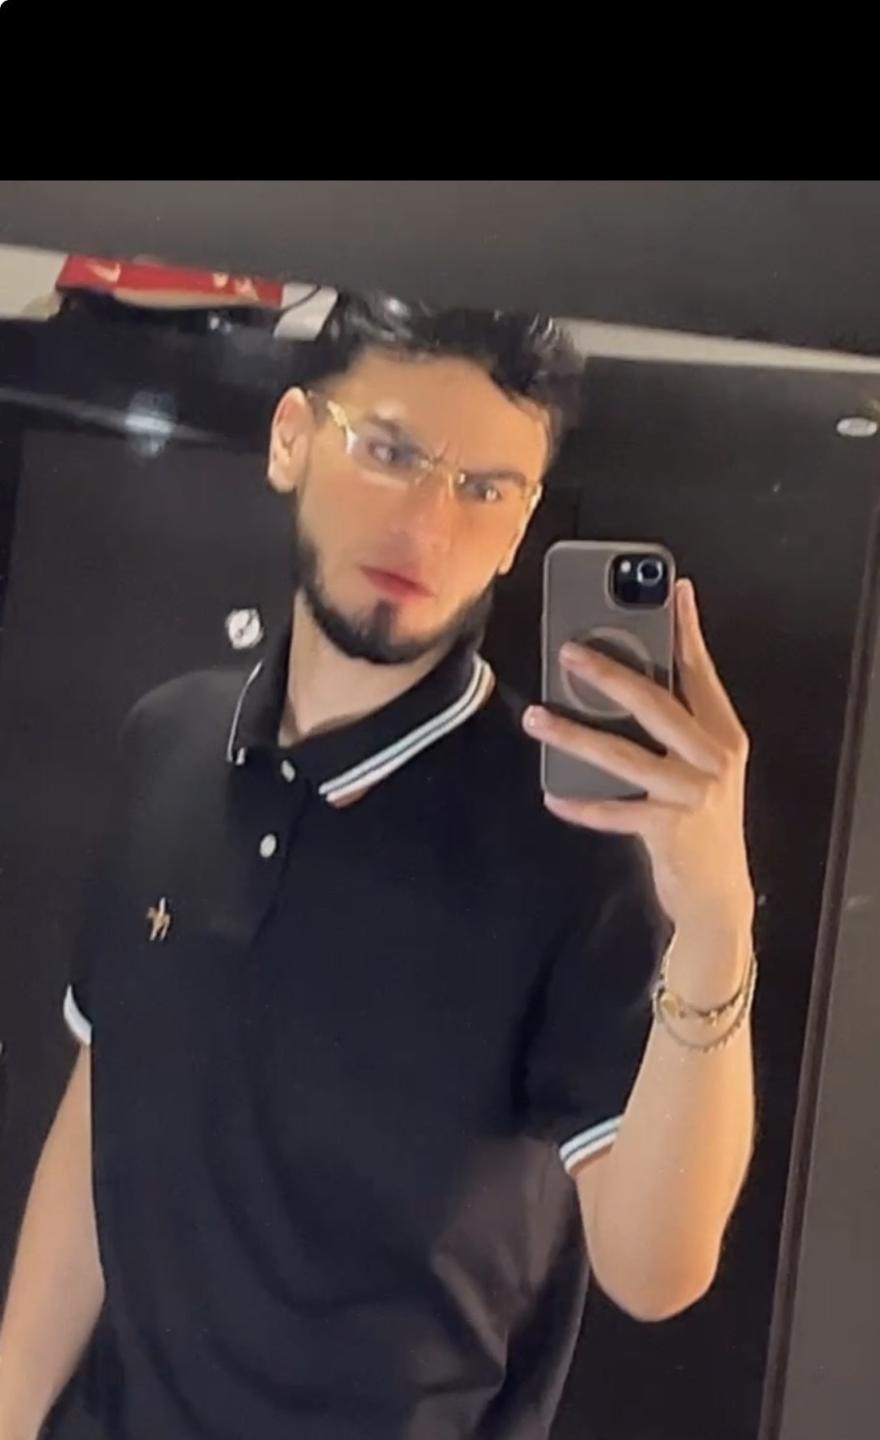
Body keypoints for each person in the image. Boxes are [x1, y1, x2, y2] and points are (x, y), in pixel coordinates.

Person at [0, 294, 757, 1440]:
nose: (427, 523)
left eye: (484, 487)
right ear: (291, 439)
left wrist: (713, 922)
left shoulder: (577, 844)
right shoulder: (171, 739)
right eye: (391, 453)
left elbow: (656, 1271)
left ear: (520, 525)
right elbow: (109, 1097)